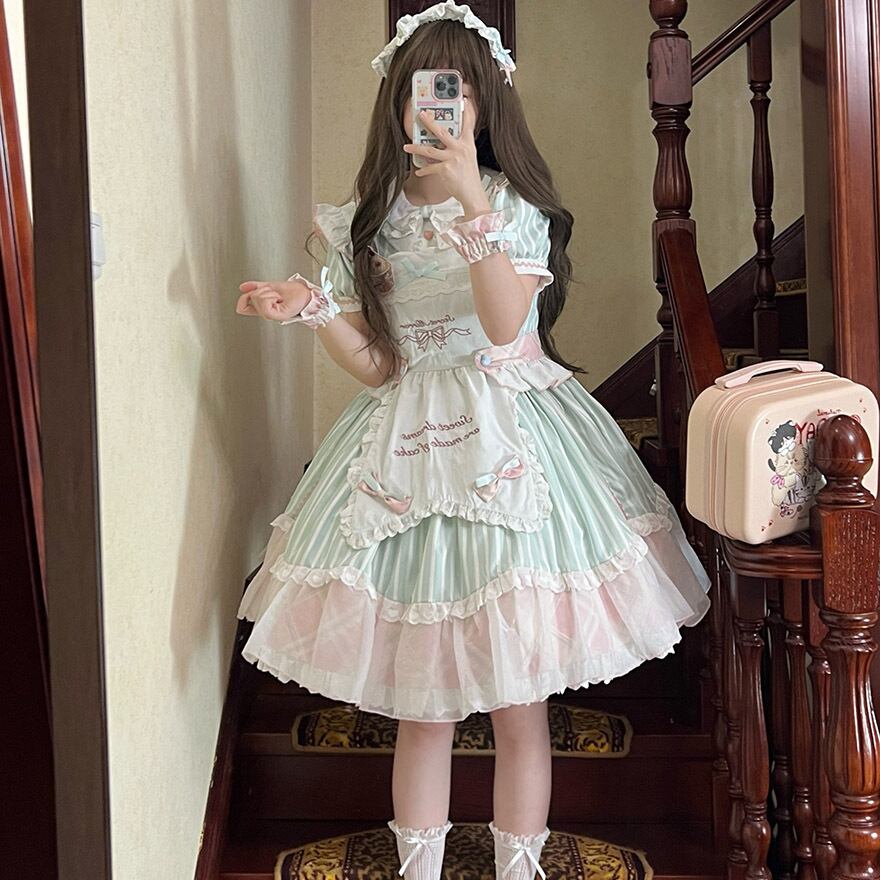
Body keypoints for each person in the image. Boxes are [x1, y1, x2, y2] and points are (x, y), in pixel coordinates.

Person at [234, 2, 712, 878]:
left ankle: (518, 870)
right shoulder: (366, 221)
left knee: (520, 703)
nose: (440, 108)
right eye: (424, 89)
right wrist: (313, 310)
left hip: (514, 438)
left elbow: (500, 327)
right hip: (405, 451)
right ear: (399, 101)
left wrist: (472, 201)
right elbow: (381, 366)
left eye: (458, 91)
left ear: (486, 104)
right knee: (425, 710)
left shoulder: (513, 207)